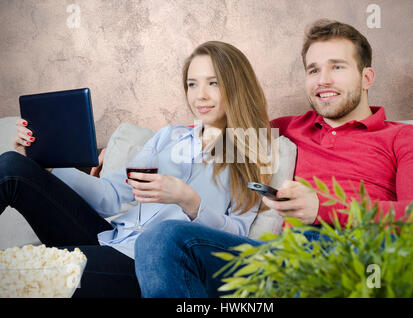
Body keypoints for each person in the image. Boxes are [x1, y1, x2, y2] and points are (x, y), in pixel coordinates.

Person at [133, 19, 413, 297]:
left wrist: (322, 208)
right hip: (275, 257)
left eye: (337, 67)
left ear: (366, 77)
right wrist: (132, 151)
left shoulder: (405, 137)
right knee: (161, 239)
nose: (323, 80)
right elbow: (218, 128)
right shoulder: (287, 128)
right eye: (314, 70)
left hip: (355, 253)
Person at [0, 41, 275, 297]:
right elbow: (110, 196)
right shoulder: (169, 136)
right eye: (192, 84)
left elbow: (235, 238)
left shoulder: (250, 152)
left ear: (236, 86)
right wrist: (50, 168)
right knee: (13, 165)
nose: (199, 95)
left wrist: (189, 200)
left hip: (149, 264)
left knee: (23, 271)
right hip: (109, 236)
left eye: (213, 83)